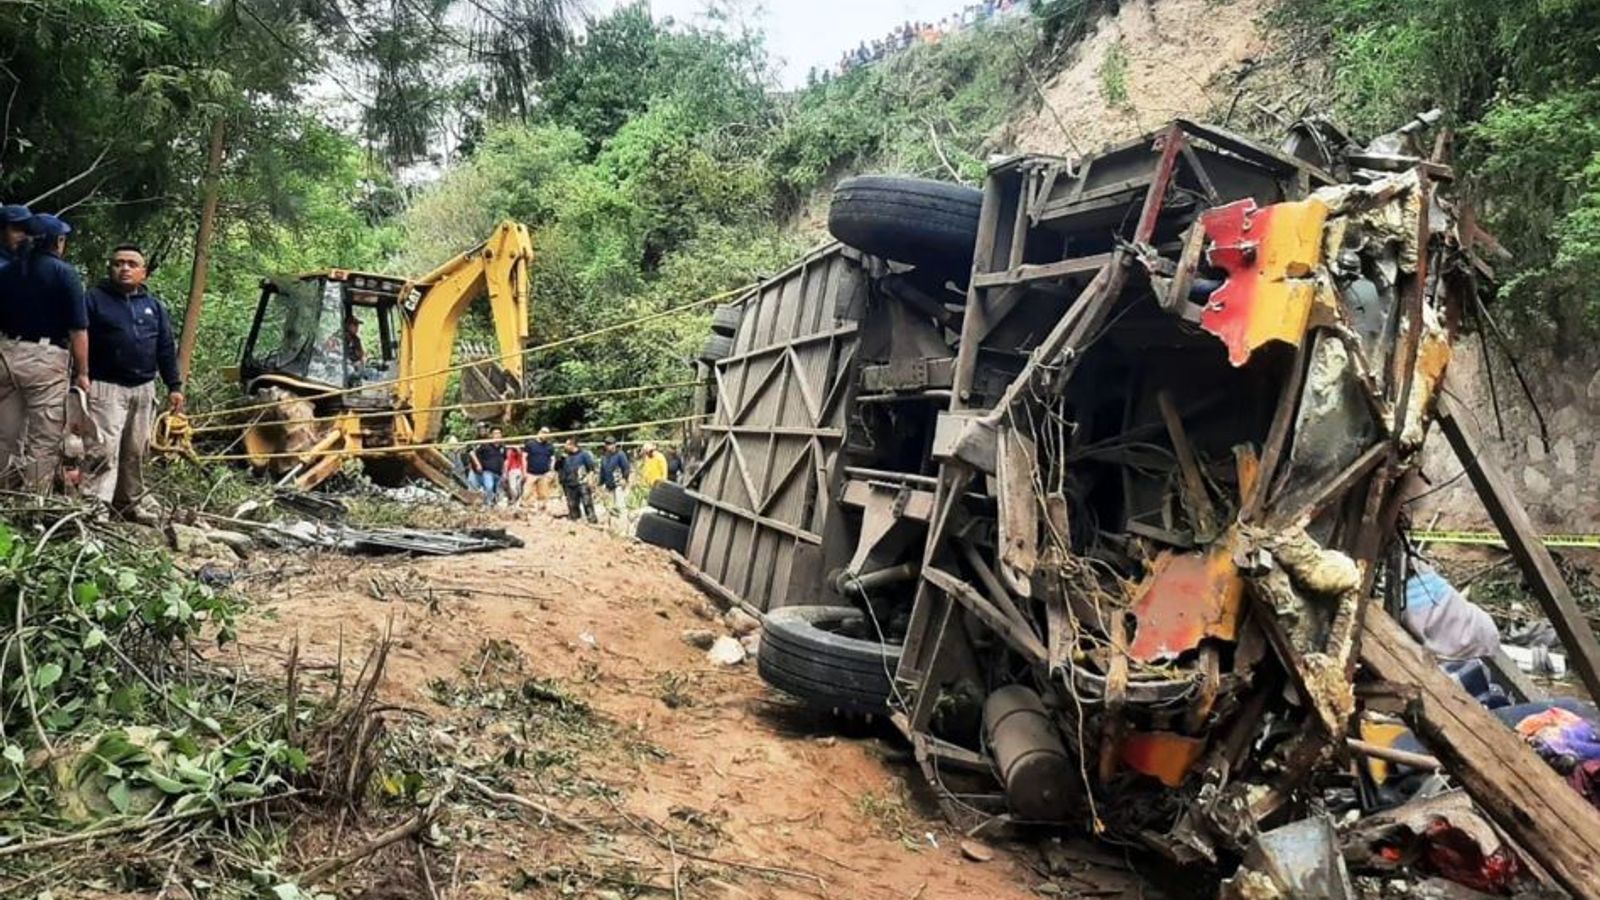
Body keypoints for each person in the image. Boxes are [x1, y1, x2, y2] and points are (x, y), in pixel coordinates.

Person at [83, 244, 183, 515]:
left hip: (143, 388)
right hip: (105, 387)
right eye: (118, 263)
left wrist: (174, 385)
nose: (124, 268)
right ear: (110, 269)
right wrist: (78, 377)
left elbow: (164, 346)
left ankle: (129, 503)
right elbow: (78, 340)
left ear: (144, 273)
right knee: (103, 450)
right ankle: (95, 507)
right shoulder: (93, 299)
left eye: (131, 264)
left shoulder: (154, 307)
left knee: (136, 450)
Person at [0, 214, 88, 492]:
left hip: (6, 354)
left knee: (5, 434)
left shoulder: (8, 272)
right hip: (45, 359)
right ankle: (33, 502)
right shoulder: (64, 274)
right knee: (44, 438)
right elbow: (78, 330)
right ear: (58, 242)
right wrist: (83, 373)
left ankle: (3, 495)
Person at [557, 436, 598, 523]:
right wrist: (559, 460)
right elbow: (557, 468)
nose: (565, 446)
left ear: (572, 445)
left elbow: (591, 468)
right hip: (569, 484)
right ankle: (575, 520)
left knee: (587, 504)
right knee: (572, 505)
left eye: (567, 445)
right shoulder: (564, 456)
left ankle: (592, 521)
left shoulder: (584, 454)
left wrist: (591, 480)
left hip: (582, 482)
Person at [524, 426, 558, 514]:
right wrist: (524, 471)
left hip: (544, 473)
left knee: (543, 494)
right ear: (539, 432)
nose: (545, 435)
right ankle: (526, 511)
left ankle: (541, 511)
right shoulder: (530, 444)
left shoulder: (550, 446)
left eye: (547, 433)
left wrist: (551, 470)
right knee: (527, 493)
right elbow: (524, 458)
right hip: (531, 473)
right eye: (543, 432)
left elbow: (553, 459)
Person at [469, 426, 506, 504]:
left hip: (498, 473)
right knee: (489, 487)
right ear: (491, 435)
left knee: (497, 490)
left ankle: (493, 503)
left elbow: (505, 460)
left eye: (499, 433)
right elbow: (472, 453)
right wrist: (478, 464)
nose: (497, 435)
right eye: (495, 434)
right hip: (488, 472)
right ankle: (488, 504)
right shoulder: (486, 445)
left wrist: (504, 471)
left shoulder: (503, 448)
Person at [598, 436, 632, 519]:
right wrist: (600, 483)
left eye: (610, 444)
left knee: (620, 506)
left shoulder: (620, 454)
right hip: (609, 484)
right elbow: (602, 470)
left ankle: (623, 523)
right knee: (610, 507)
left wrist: (625, 478)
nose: (608, 446)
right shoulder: (604, 456)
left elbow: (626, 467)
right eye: (607, 444)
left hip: (618, 484)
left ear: (614, 444)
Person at [503, 441, 526, 506]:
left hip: (518, 470)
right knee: (512, 487)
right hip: (511, 471)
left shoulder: (518, 453)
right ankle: (514, 499)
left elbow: (520, 453)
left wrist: (516, 447)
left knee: (518, 487)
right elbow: (507, 463)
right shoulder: (508, 452)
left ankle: (517, 500)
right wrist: (505, 473)